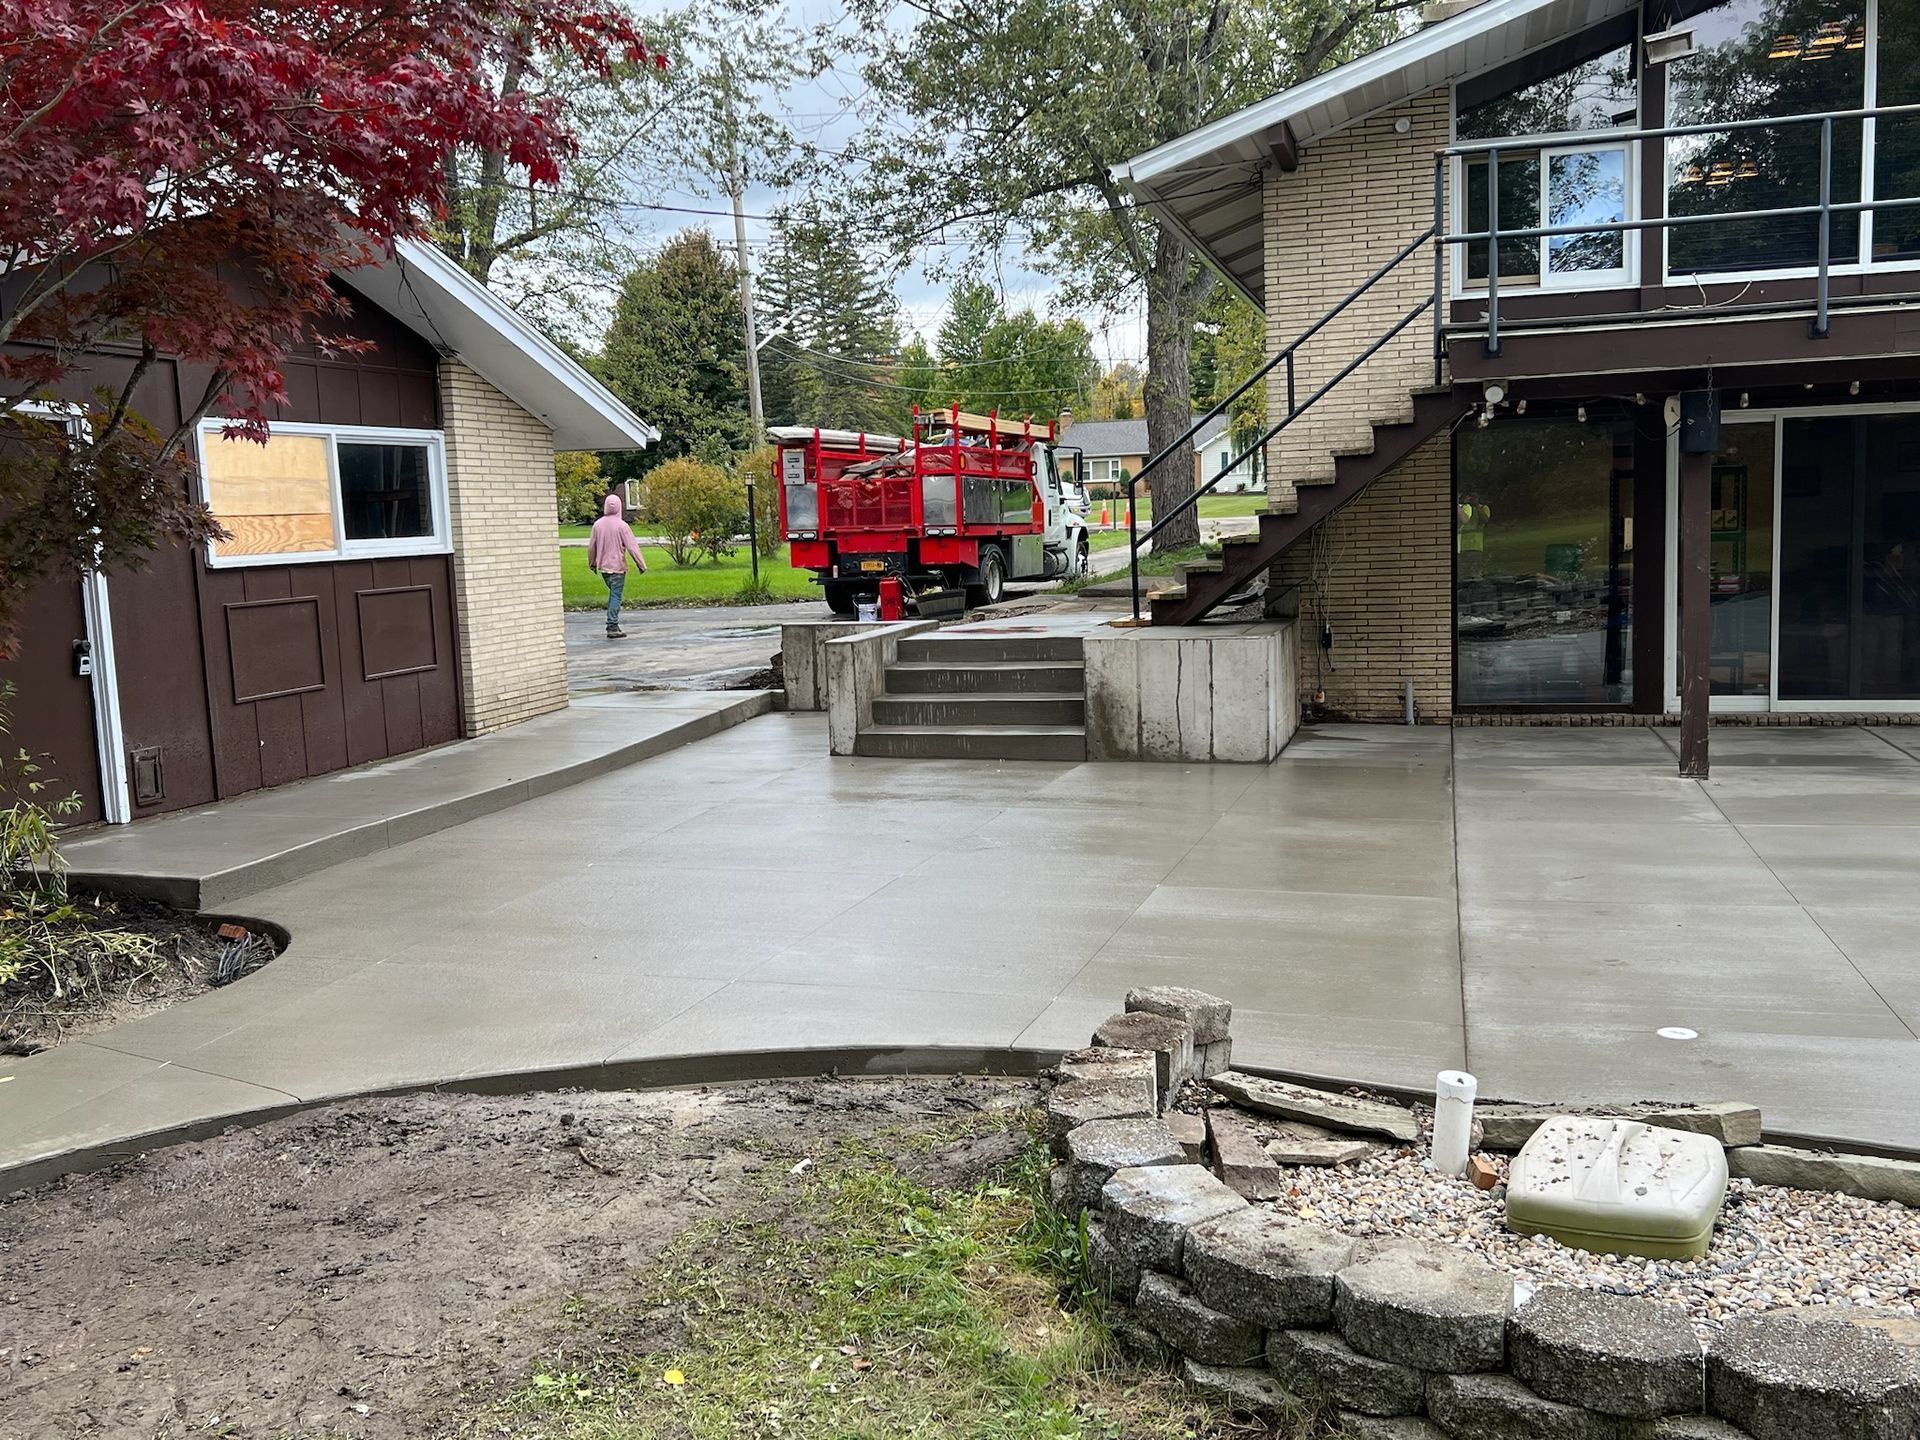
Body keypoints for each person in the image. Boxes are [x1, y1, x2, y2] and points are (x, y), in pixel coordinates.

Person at [587, 493, 647, 638]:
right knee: (615, 595)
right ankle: (612, 626)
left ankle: (612, 624)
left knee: (613, 592)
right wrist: (641, 564)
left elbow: (591, 547)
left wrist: (592, 563)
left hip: (603, 568)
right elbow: (632, 546)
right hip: (617, 567)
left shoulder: (597, 525)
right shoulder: (622, 526)